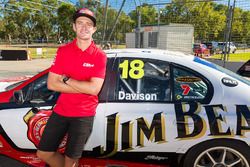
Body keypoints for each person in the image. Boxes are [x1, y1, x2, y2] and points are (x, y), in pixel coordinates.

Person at [36, 7, 107, 167]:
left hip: (83, 114)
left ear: (94, 29)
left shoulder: (100, 56)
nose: (84, 27)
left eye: (89, 24)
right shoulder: (63, 51)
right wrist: (84, 86)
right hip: (61, 110)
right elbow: (52, 84)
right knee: (43, 153)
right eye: (80, 23)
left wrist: (67, 79)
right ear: (74, 26)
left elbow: (94, 89)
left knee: (71, 161)